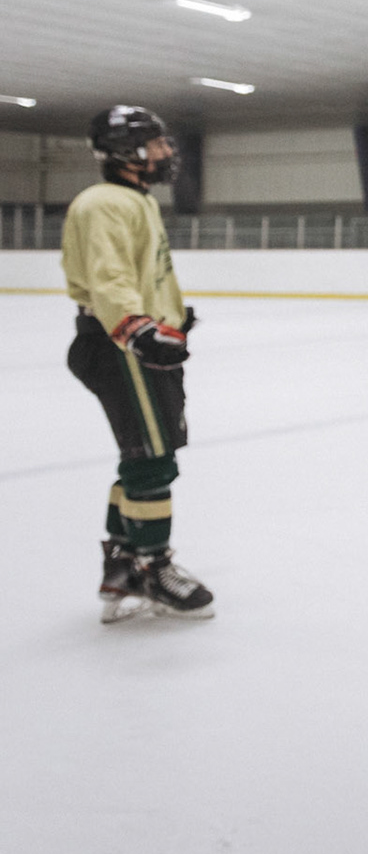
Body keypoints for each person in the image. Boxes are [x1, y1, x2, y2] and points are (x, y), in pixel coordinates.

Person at [61, 105, 215, 622]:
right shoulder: (104, 203)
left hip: (129, 343)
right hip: (120, 347)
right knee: (152, 460)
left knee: (143, 456)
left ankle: (123, 566)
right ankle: (153, 568)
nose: (167, 151)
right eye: (157, 143)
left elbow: (145, 273)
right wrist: (138, 330)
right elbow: (109, 278)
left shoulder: (135, 199)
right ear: (127, 152)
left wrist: (171, 315)